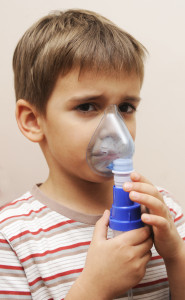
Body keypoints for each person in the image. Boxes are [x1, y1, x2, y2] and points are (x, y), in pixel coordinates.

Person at [0, 9, 185, 300]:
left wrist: (176, 256)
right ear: (33, 120)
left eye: (126, 107)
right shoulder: (12, 236)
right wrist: (93, 289)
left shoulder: (163, 212)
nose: (115, 130)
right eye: (87, 106)